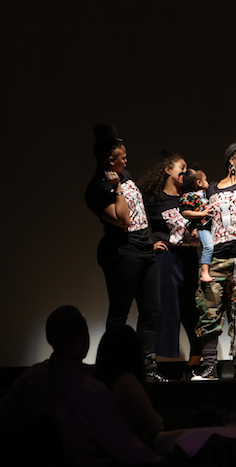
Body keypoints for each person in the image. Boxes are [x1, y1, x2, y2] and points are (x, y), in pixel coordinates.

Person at [0, 305, 162, 466]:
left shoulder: (30, 378)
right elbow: (123, 445)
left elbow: (3, 419)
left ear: (48, 337)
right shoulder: (91, 391)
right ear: (84, 337)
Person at [85, 124, 165, 383]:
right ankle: (112, 371)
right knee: (119, 313)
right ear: (111, 160)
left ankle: (148, 369)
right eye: (123, 156)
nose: (127, 160)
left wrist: (149, 242)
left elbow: (140, 214)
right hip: (122, 250)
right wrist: (117, 187)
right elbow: (122, 220)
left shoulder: (126, 174)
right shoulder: (96, 189)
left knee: (151, 310)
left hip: (144, 248)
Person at [192, 141, 236, 380]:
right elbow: (198, 217)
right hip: (217, 258)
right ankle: (209, 366)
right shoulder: (211, 190)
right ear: (231, 160)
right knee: (209, 311)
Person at [140, 151, 203, 376]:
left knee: (193, 309)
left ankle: (196, 360)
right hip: (167, 259)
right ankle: (153, 364)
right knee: (166, 308)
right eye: (181, 167)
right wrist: (150, 244)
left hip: (189, 258)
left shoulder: (190, 196)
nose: (185, 172)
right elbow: (134, 223)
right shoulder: (153, 200)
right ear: (168, 170)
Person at [96, 324, 165, 450]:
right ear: (134, 351)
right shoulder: (127, 381)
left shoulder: (96, 380)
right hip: (129, 451)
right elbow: (156, 424)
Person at [178, 166, 214, 284]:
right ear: (198, 182)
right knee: (208, 246)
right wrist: (202, 213)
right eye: (205, 180)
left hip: (212, 226)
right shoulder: (187, 196)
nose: (207, 182)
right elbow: (185, 212)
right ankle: (204, 272)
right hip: (202, 227)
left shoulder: (206, 193)